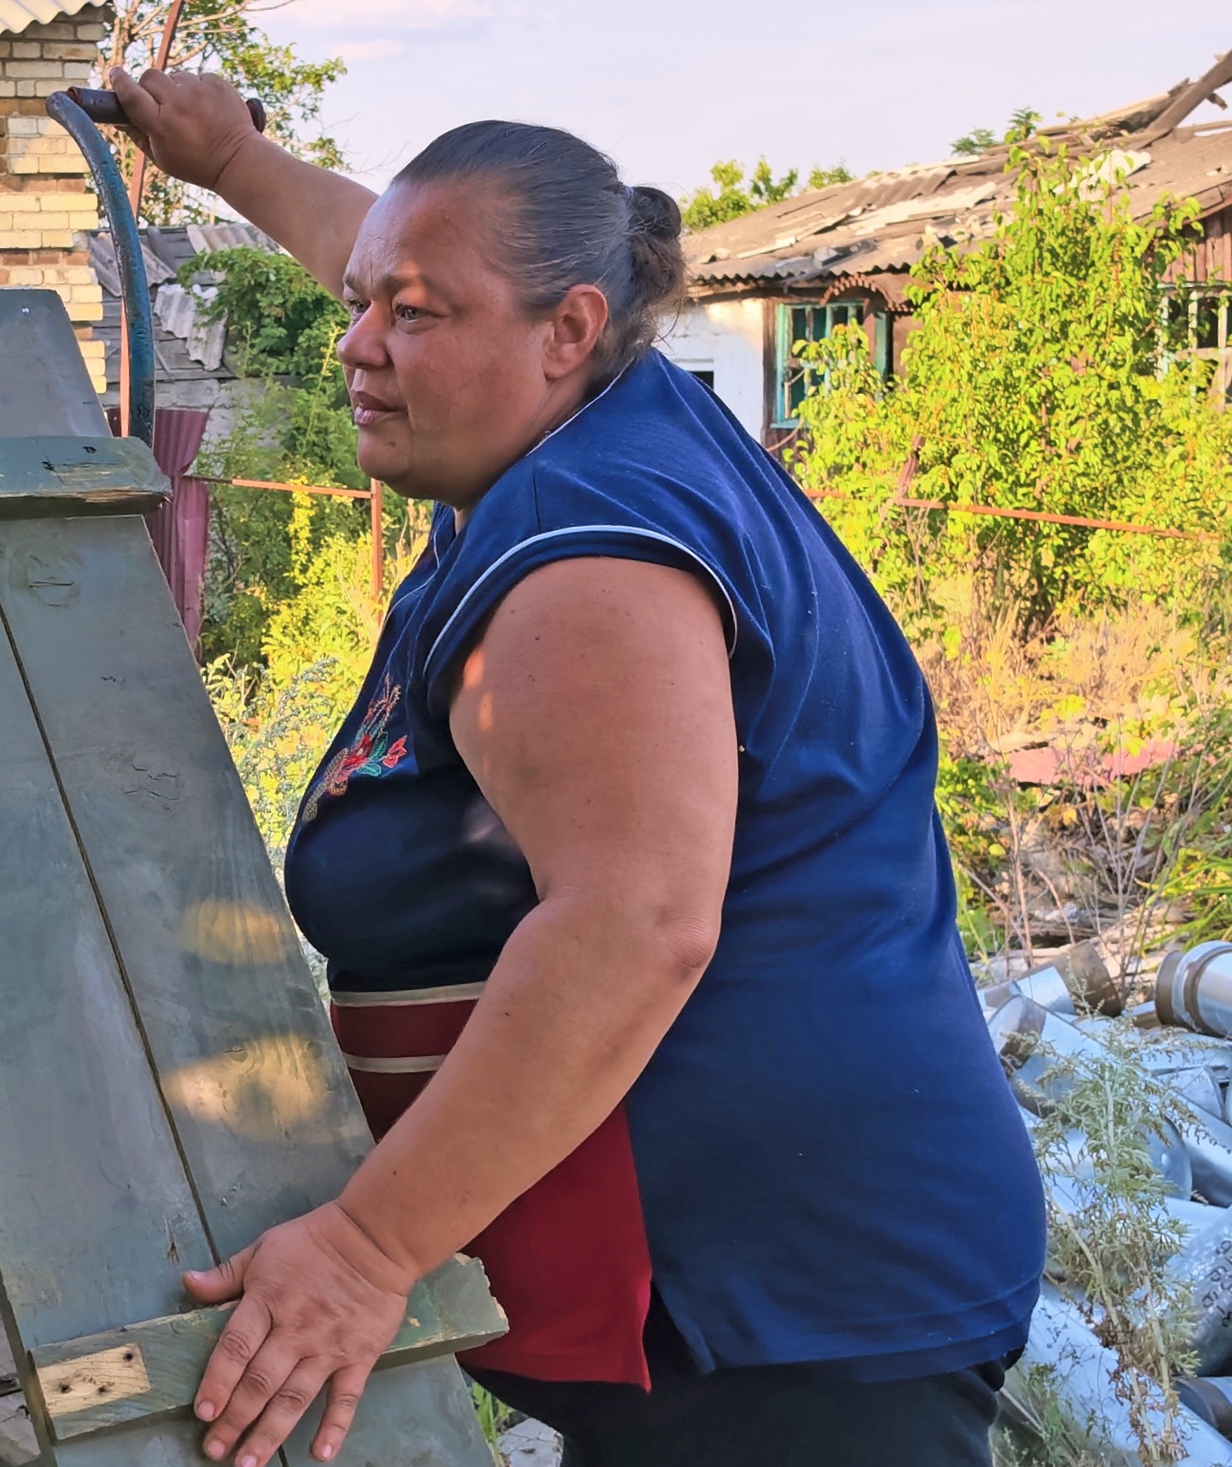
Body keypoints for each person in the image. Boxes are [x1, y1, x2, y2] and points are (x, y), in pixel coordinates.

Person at [107, 68, 1046, 1467]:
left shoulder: (591, 545)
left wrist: (370, 1249)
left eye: (404, 317)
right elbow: (416, 263)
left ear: (573, 330)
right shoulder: (592, 403)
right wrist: (234, 159)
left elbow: (638, 925)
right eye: (364, 299)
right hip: (775, 1286)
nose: (357, 341)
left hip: (783, 1315)